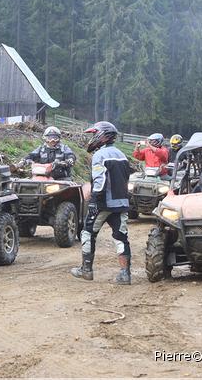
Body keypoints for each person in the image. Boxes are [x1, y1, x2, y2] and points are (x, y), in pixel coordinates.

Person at [71, 121, 134, 285]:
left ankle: (86, 270)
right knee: (121, 237)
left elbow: (100, 180)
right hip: (121, 202)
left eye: (94, 135)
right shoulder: (121, 154)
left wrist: (94, 201)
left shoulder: (100, 155)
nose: (92, 138)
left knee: (87, 233)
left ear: (102, 135)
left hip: (104, 203)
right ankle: (125, 274)